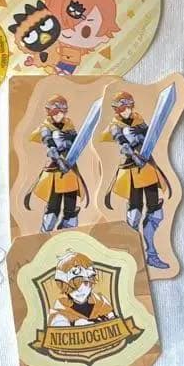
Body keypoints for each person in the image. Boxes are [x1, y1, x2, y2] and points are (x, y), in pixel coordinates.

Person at [101, 91, 172, 269]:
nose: (125, 111)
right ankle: (132, 254)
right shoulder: (115, 125)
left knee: (155, 212)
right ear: (117, 110)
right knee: (135, 212)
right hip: (131, 171)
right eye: (122, 108)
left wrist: (143, 140)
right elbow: (122, 144)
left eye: (128, 107)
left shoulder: (139, 119)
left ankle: (152, 255)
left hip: (147, 169)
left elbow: (151, 136)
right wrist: (134, 155)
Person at [25, 95, 88, 231]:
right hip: (54, 170)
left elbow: (78, 143)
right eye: (57, 112)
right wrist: (59, 161)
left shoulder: (69, 124)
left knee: (70, 206)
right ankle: (46, 231)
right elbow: (50, 147)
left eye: (62, 112)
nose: (60, 115)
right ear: (50, 112)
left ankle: (68, 230)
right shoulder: (45, 127)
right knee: (53, 206)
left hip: (70, 169)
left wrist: (73, 138)